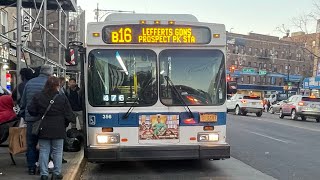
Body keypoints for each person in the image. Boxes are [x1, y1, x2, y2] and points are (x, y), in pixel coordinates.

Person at [28, 76, 75, 180]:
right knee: (57, 152)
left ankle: (44, 174)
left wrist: (39, 114)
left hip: (43, 128)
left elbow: (31, 109)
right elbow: (69, 114)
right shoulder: (62, 98)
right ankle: (56, 173)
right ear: (57, 86)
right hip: (58, 127)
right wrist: (65, 123)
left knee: (44, 151)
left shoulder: (38, 96)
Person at [20, 64, 54, 175]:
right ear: (49, 73)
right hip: (46, 119)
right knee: (45, 144)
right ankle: (43, 167)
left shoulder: (29, 83)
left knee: (31, 144)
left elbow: (23, 102)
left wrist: (24, 114)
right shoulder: (51, 83)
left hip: (31, 119)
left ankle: (31, 167)